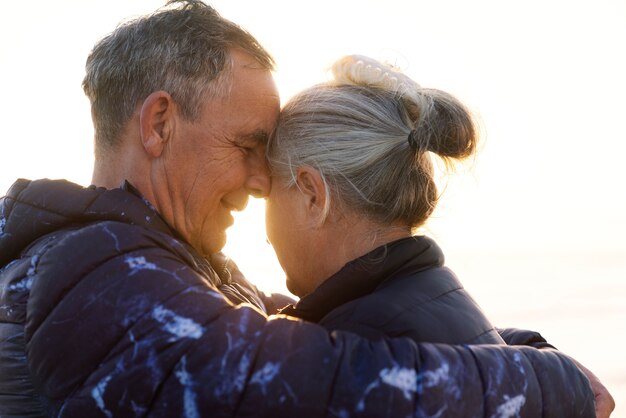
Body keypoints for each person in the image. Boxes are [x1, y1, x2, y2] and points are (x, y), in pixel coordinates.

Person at [0, 1, 612, 417]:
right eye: (247, 146)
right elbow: (299, 381)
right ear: (159, 123)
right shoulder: (92, 270)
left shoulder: (166, 265)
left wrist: (513, 345)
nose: (263, 181)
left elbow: (296, 322)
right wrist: (540, 382)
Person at [268, 54, 504, 345]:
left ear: (313, 195)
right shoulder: (439, 299)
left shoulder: (355, 342)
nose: (265, 235)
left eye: (268, 193)